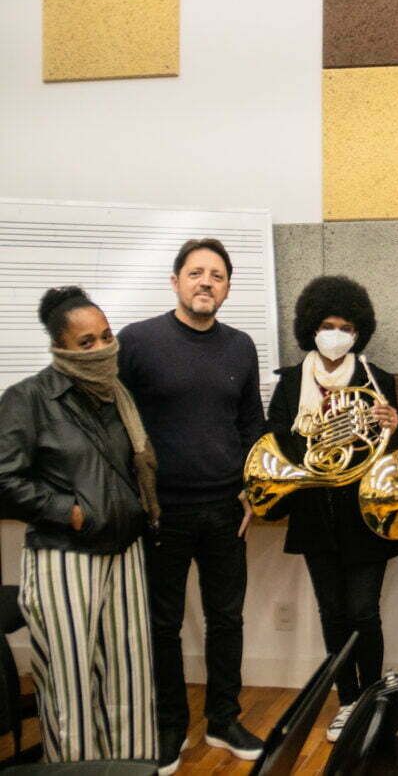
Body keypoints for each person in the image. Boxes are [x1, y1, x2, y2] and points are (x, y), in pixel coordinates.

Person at [118, 239, 265, 773]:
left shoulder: (241, 346)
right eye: (196, 272)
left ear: (227, 288)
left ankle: (223, 719)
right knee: (162, 625)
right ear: (175, 281)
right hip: (162, 512)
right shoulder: (137, 341)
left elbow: (251, 424)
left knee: (227, 619)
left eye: (217, 275)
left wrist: (254, 488)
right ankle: (170, 727)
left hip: (226, 509)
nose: (206, 282)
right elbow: (115, 423)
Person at [0, 287, 158, 762]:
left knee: (129, 680)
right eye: (87, 342)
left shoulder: (118, 396)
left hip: (125, 552)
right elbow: (4, 478)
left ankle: (130, 770)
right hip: (64, 556)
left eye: (107, 336)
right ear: (61, 347)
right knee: (69, 687)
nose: (102, 348)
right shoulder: (28, 398)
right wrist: (69, 512)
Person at [264, 276, 398, 742]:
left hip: (366, 515)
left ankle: (372, 697)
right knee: (333, 614)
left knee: (364, 612)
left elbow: (394, 456)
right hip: (315, 515)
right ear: (311, 327)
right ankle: (347, 701)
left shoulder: (376, 379)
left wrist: (392, 427)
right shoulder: (290, 382)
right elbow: (275, 445)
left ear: (359, 331)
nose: (336, 334)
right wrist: (319, 438)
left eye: (346, 327)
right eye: (328, 325)